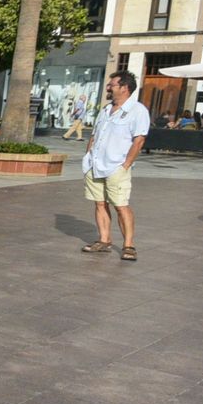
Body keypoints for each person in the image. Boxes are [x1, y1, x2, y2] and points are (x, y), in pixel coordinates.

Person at [80, 70, 149, 262]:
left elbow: (139, 141)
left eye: (112, 84)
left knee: (120, 205)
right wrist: (88, 156)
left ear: (124, 88)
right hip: (95, 165)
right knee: (99, 203)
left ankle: (129, 245)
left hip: (116, 166)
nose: (108, 87)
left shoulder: (138, 111)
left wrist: (125, 165)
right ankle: (104, 240)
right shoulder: (105, 110)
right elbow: (95, 135)